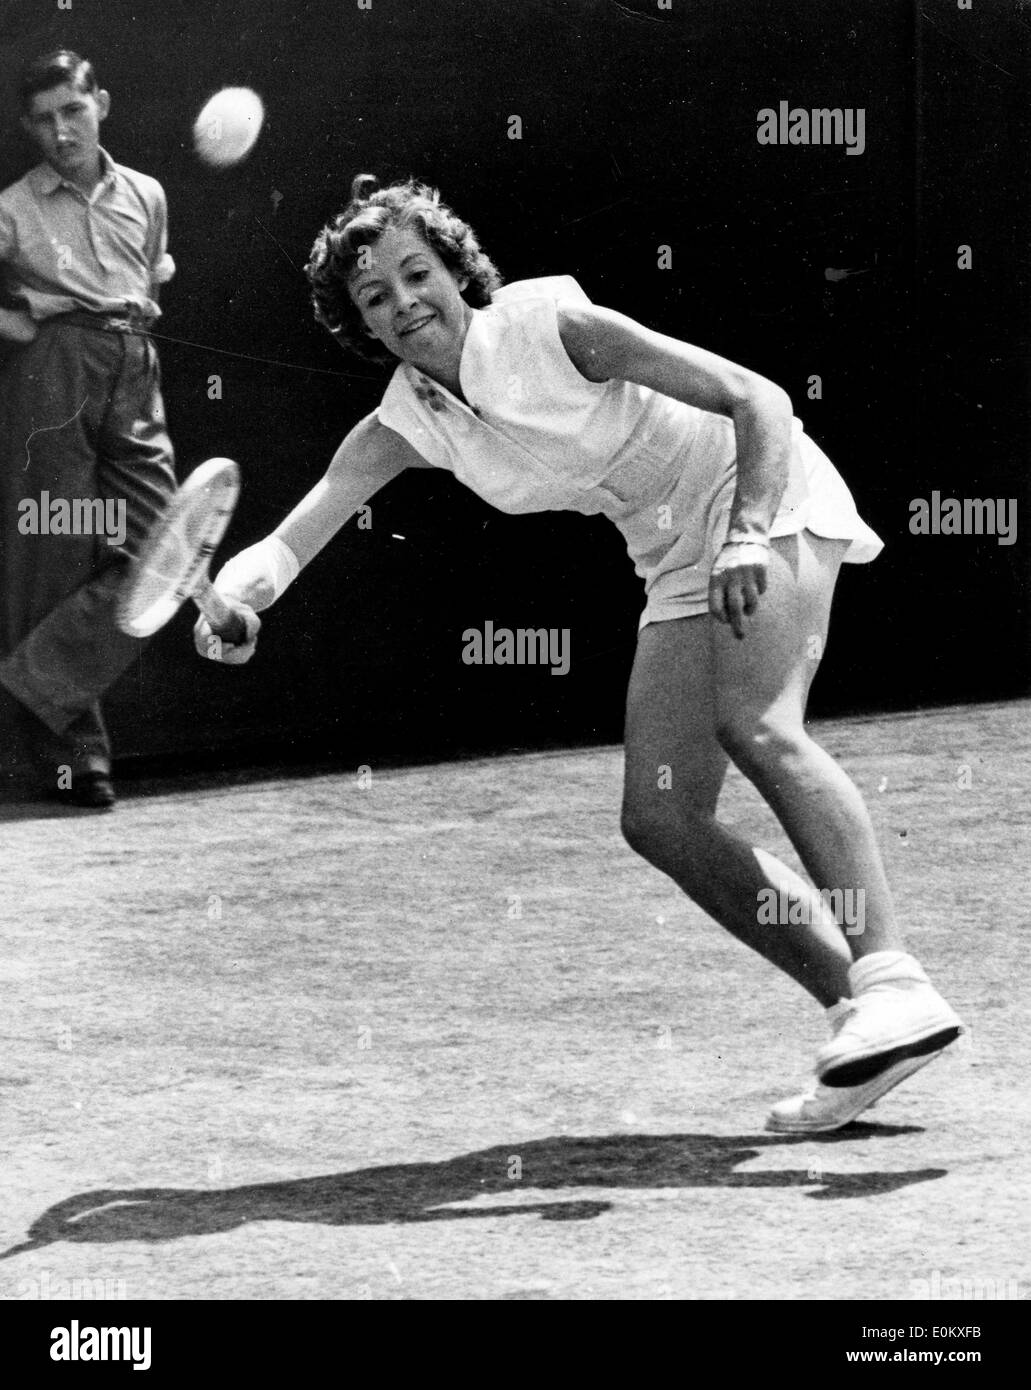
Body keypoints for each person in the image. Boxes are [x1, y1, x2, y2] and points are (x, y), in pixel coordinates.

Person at [195, 175, 963, 1131]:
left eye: (416, 272)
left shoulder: (551, 324)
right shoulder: (406, 419)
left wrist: (747, 533)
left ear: (456, 270)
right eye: (375, 297)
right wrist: (231, 599)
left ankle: (893, 974)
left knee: (757, 723)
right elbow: (290, 540)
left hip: (761, 501)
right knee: (661, 816)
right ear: (361, 326)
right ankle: (863, 1022)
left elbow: (754, 398)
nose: (405, 303)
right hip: (674, 556)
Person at [0, 50, 178, 808]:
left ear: (99, 102)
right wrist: (19, 320)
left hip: (135, 363)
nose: (60, 130)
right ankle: (79, 757)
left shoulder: (147, 194)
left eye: (72, 110)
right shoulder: (11, 208)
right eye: (43, 119)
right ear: (27, 127)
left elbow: (151, 276)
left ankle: (17, 694)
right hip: (55, 369)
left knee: (161, 552)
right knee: (55, 556)